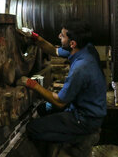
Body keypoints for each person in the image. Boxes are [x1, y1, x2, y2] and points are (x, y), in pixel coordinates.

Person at [19, 19, 107, 152]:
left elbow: (59, 102)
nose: (59, 36)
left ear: (72, 43)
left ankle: (81, 138)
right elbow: (54, 51)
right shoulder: (85, 48)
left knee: (32, 129)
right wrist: (35, 37)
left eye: (62, 35)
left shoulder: (80, 68)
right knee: (43, 109)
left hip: (85, 119)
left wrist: (32, 84)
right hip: (86, 107)